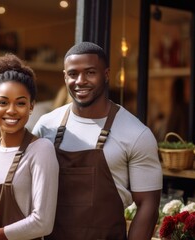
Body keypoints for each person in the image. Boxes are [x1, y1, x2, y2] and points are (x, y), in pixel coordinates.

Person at [32, 42, 163, 240]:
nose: (80, 81)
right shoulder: (46, 125)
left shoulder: (136, 134)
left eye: (90, 72)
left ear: (107, 75)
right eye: (73, 74)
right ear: (65, 77)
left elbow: (148, 204)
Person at [0, 53, 59, 240]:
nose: (11, 110)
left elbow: (43, 222)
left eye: (20, 103)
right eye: (3, 102)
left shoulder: (41, 150)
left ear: (31, 106)